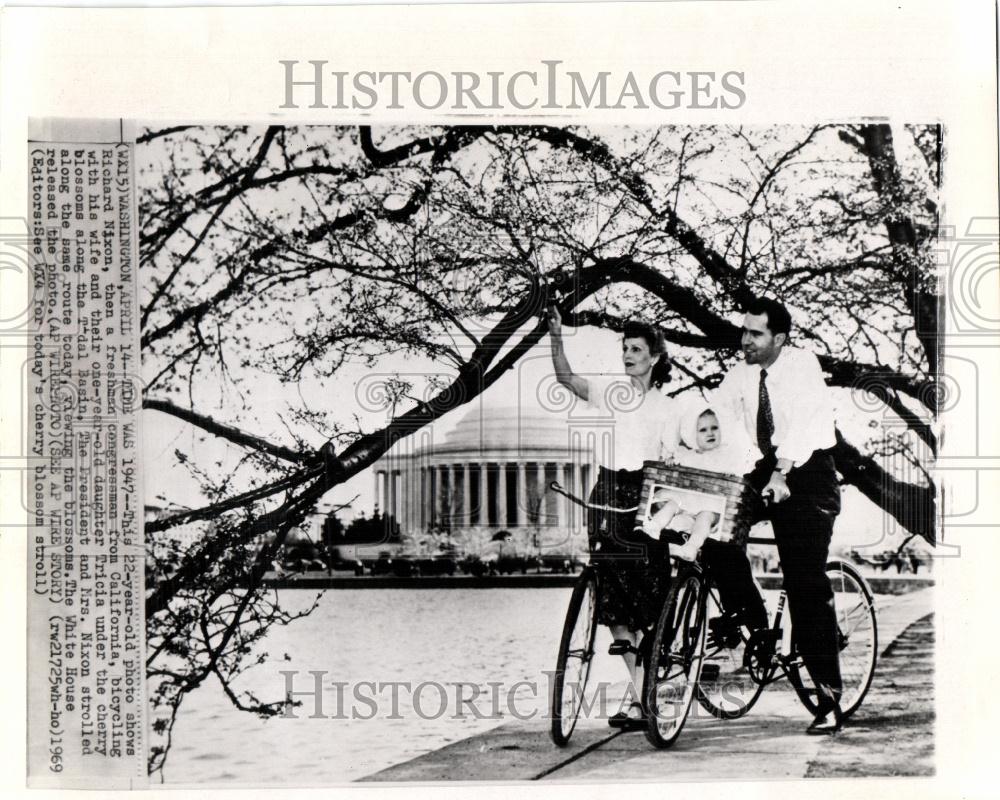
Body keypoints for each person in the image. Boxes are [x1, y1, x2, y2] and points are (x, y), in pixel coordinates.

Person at [714, 297, 845, 735]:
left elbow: (802, 426)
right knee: (715, 534)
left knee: (804, 580)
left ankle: (828, 698)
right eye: (744, 331)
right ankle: (756, 628)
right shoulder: (738, 375)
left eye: (755, 333)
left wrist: (782, 471)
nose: (744, 340)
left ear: (779, 338)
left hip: (807, 475)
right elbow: (720, 422)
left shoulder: (801, 365)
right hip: (761, 471)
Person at [546, 305, 674, 730]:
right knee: (613, 601)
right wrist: (557, 338)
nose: (628, 355)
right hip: (606, 491)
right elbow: (566, 379)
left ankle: (644, 696)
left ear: (655, 357)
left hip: (645, 494)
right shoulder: (610, 391)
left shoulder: (666, 408)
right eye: (625, 348)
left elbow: (675, 459)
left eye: (636, 349)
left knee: (646, 602)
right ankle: (641, 698)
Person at [642, 405, 768, 632]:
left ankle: (692, 547)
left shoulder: (727, 454)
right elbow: (673, 465)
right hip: (686, 507)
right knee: (671, 503)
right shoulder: (687, 455)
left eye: (714, 428)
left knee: (705, 517)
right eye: (702, 430)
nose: (710, 433)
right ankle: (653, 527)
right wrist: (671, 461)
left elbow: (738, 474)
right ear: (692, 435)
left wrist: (733, 475)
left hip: (711, 511)